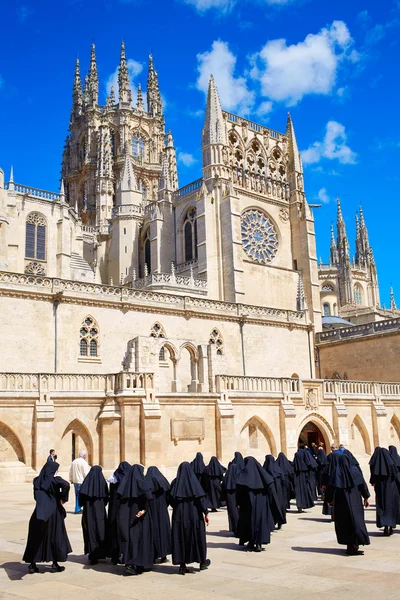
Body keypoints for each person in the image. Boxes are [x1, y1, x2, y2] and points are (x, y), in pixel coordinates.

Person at [23, 461, 72, 573]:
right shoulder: (56, 480)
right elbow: (67, 485)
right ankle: (55, 563)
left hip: (39, 512)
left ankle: (32, 564)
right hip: (53, 513)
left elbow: (36, 496)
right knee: (55, 536)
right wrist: (62, 498)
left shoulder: (37, 480)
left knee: (36, 537)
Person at [324, 452, 370, 555]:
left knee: (345, 523)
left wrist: (329, 500)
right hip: (356, 502)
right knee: (356, 521)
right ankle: (355, 544)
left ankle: (350, 545)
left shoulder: (336, 473)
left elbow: (330, 488)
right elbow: (363, 485)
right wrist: (366, 497)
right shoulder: (355, 471)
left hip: (341, 503)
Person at [169, 461, 210, 575]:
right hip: (194, 515)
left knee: (181, 538)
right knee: (197, 537)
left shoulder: (175, 483)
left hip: (179, 516)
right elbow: (201, 499)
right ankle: (202, 562)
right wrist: (206, 512)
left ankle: (182, 565)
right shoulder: (194, 482)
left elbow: (171, 500)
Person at [118, 464, 154, 575]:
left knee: (128, 539)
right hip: (139, 517)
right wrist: (144, 510)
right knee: (139, 539)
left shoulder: (125, 484)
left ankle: (129, 563)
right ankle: (137, 563)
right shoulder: (141, 483)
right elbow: (148, 497)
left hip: (126, 517)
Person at [236, 456, 274, 552]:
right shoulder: (262, 474)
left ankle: (252, 541)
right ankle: (258, 543)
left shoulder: (244, 475)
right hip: (261, 503)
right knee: (260, 521)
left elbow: (239, 490)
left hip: (248, 504)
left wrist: (238, 502)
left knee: (249, 522)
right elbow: (270, 486)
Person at [79, 465, 109, 564]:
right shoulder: (102, 482)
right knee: (101, 530)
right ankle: (101, 553)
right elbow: (106, 498)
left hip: (89, 512)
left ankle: (92, 555)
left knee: (90, 531)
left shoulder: (86, 482)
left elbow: (81, 497)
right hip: (100, 511)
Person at [369, 446, 400, 536]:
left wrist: (373, 482)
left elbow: (373, 478)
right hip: (391, 489)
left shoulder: (376, 466)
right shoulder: (391, 464)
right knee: (391, 507)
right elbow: (395, 475)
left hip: (380, 490)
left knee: (382, 507)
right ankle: (391, 526)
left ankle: (385, 526)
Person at [106, 461, 131, 564]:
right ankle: (125, 555)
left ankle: (114, 556)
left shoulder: (114, 479)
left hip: (114, 509)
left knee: (114, 533)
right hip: (125, 510)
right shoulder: (128, 480)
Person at [145, 466, 171, 564]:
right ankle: (163, 554)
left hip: (151, 512)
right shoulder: (163, 482)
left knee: (152, 531)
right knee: (163, 531)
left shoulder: (146, 482)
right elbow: (169, 495)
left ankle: (153, 554)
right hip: (162, 512)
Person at [262, 455, 286, 529]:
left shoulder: (265, 470)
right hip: (279, 492)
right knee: (279, 506)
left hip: (270, 493)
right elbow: (283, 480)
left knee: (271, 507)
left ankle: (271, 523)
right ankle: (280, 521)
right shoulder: (278, 469)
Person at [293, 444, 316, 512]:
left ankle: (299, 506)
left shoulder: (296, 454)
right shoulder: (305, 453)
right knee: (305, 490)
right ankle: (305, 504)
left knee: (298, 491)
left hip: (297, 474)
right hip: (304, 474)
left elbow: (294, 463)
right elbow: (308, 462)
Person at [221, 461, 240, 535]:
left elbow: (223, 488)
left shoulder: (227, 478)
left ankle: (235, 529)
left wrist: (223, 499)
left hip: (230, 498)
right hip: (237, 498)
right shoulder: (239, 477)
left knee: (232, 513)